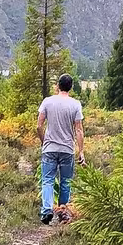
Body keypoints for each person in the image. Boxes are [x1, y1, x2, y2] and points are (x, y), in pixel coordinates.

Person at [36, 73, 84, 224]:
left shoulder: (47, 101)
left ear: (58, 85)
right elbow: (79, 130)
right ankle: (62, 212)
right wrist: (81, 151)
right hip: (67, 149)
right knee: (66, 181)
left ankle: (47, 211)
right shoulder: (75, 104)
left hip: (49, 148)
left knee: (48, 180)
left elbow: (38, 125)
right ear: (71, 87)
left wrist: (44, 142)